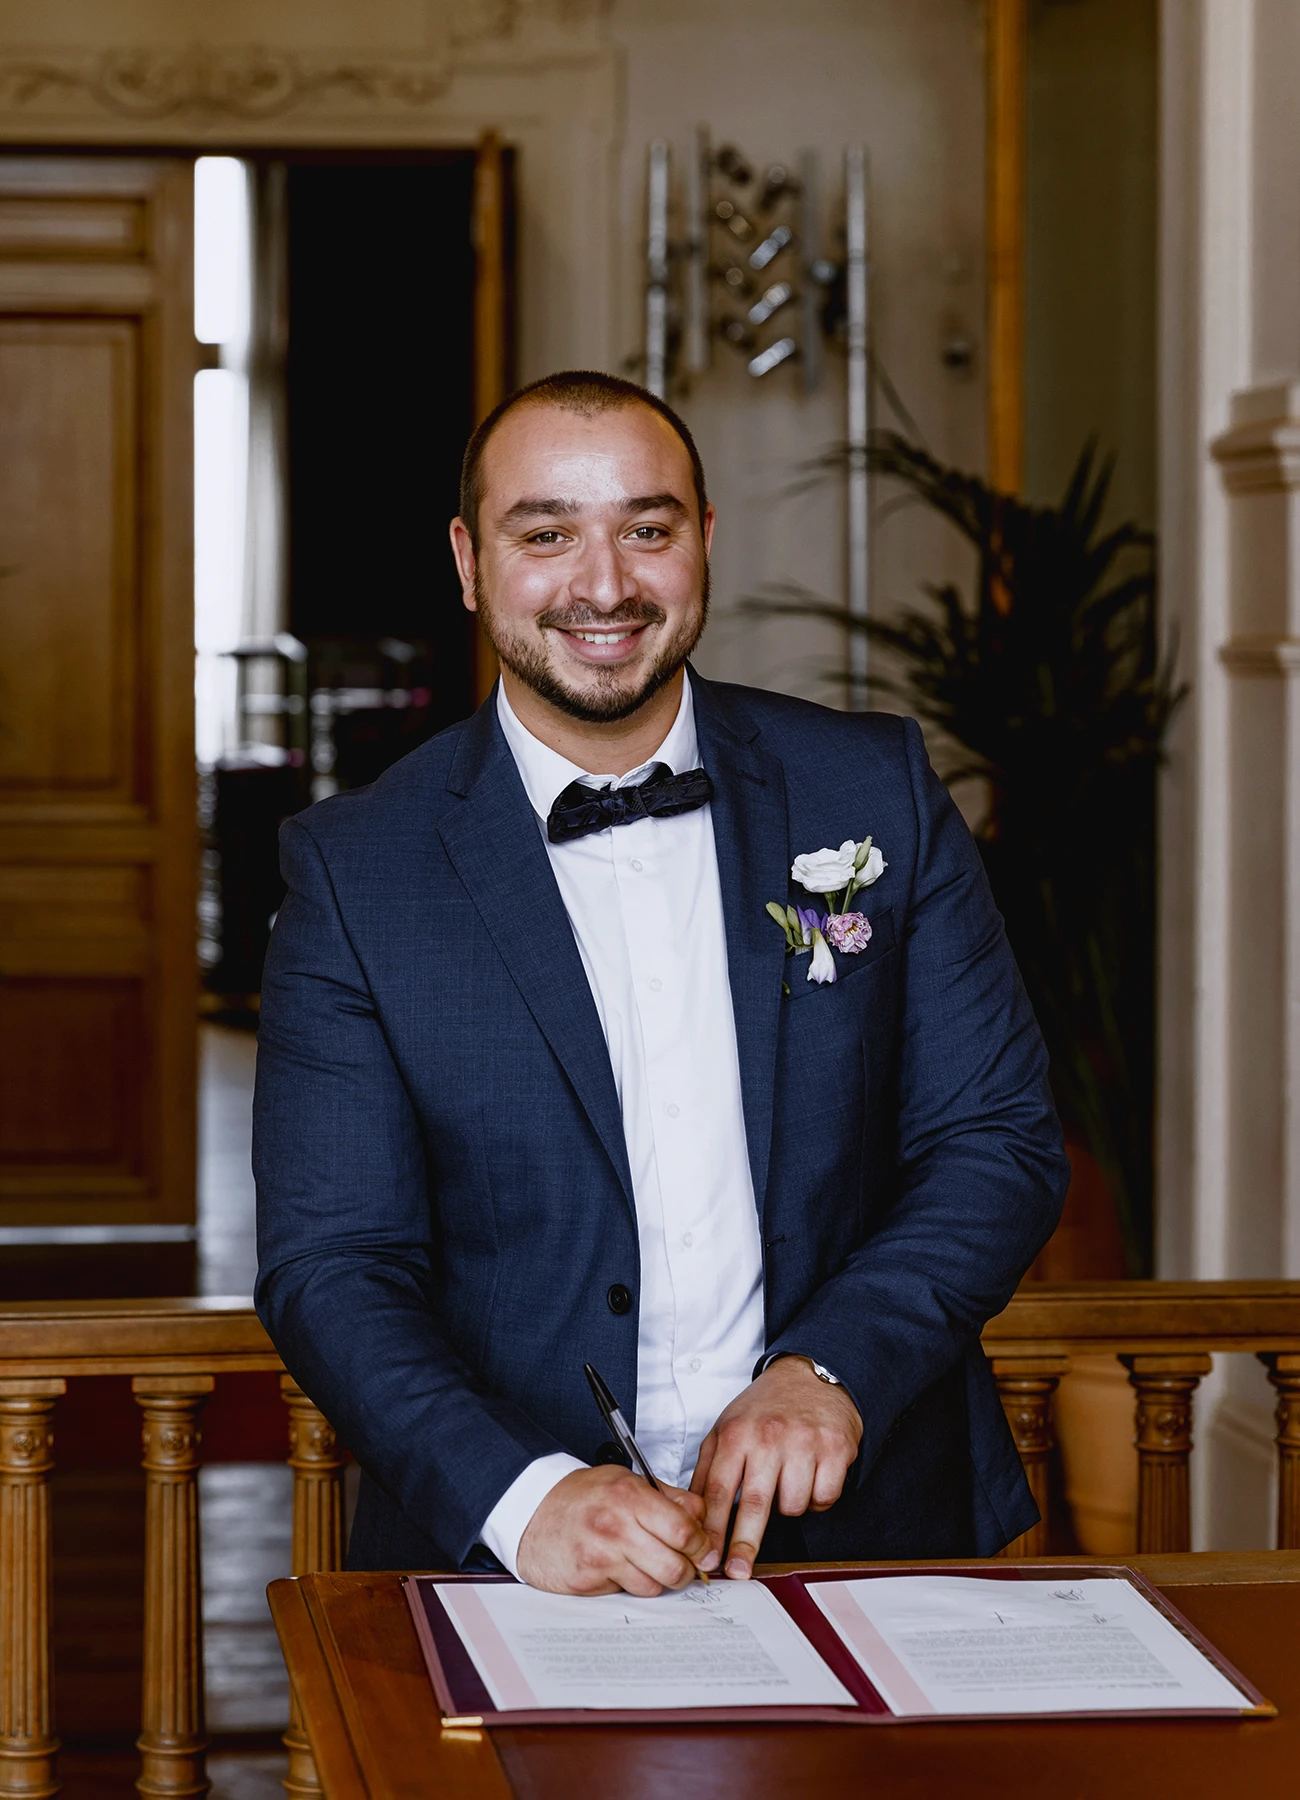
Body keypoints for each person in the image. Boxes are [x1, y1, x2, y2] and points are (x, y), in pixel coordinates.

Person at [253, 370, 1069, 1597]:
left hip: (872, 1536)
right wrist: (520, 1498)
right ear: (471, 562)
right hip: (513, 1567)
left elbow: (994, 1140)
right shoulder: (355, 871)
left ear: (702, 544)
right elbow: (333, 1262)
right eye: (547, 535)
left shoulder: (873, 788)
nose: (604, 585)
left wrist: (831, 1369)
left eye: (648, 528)